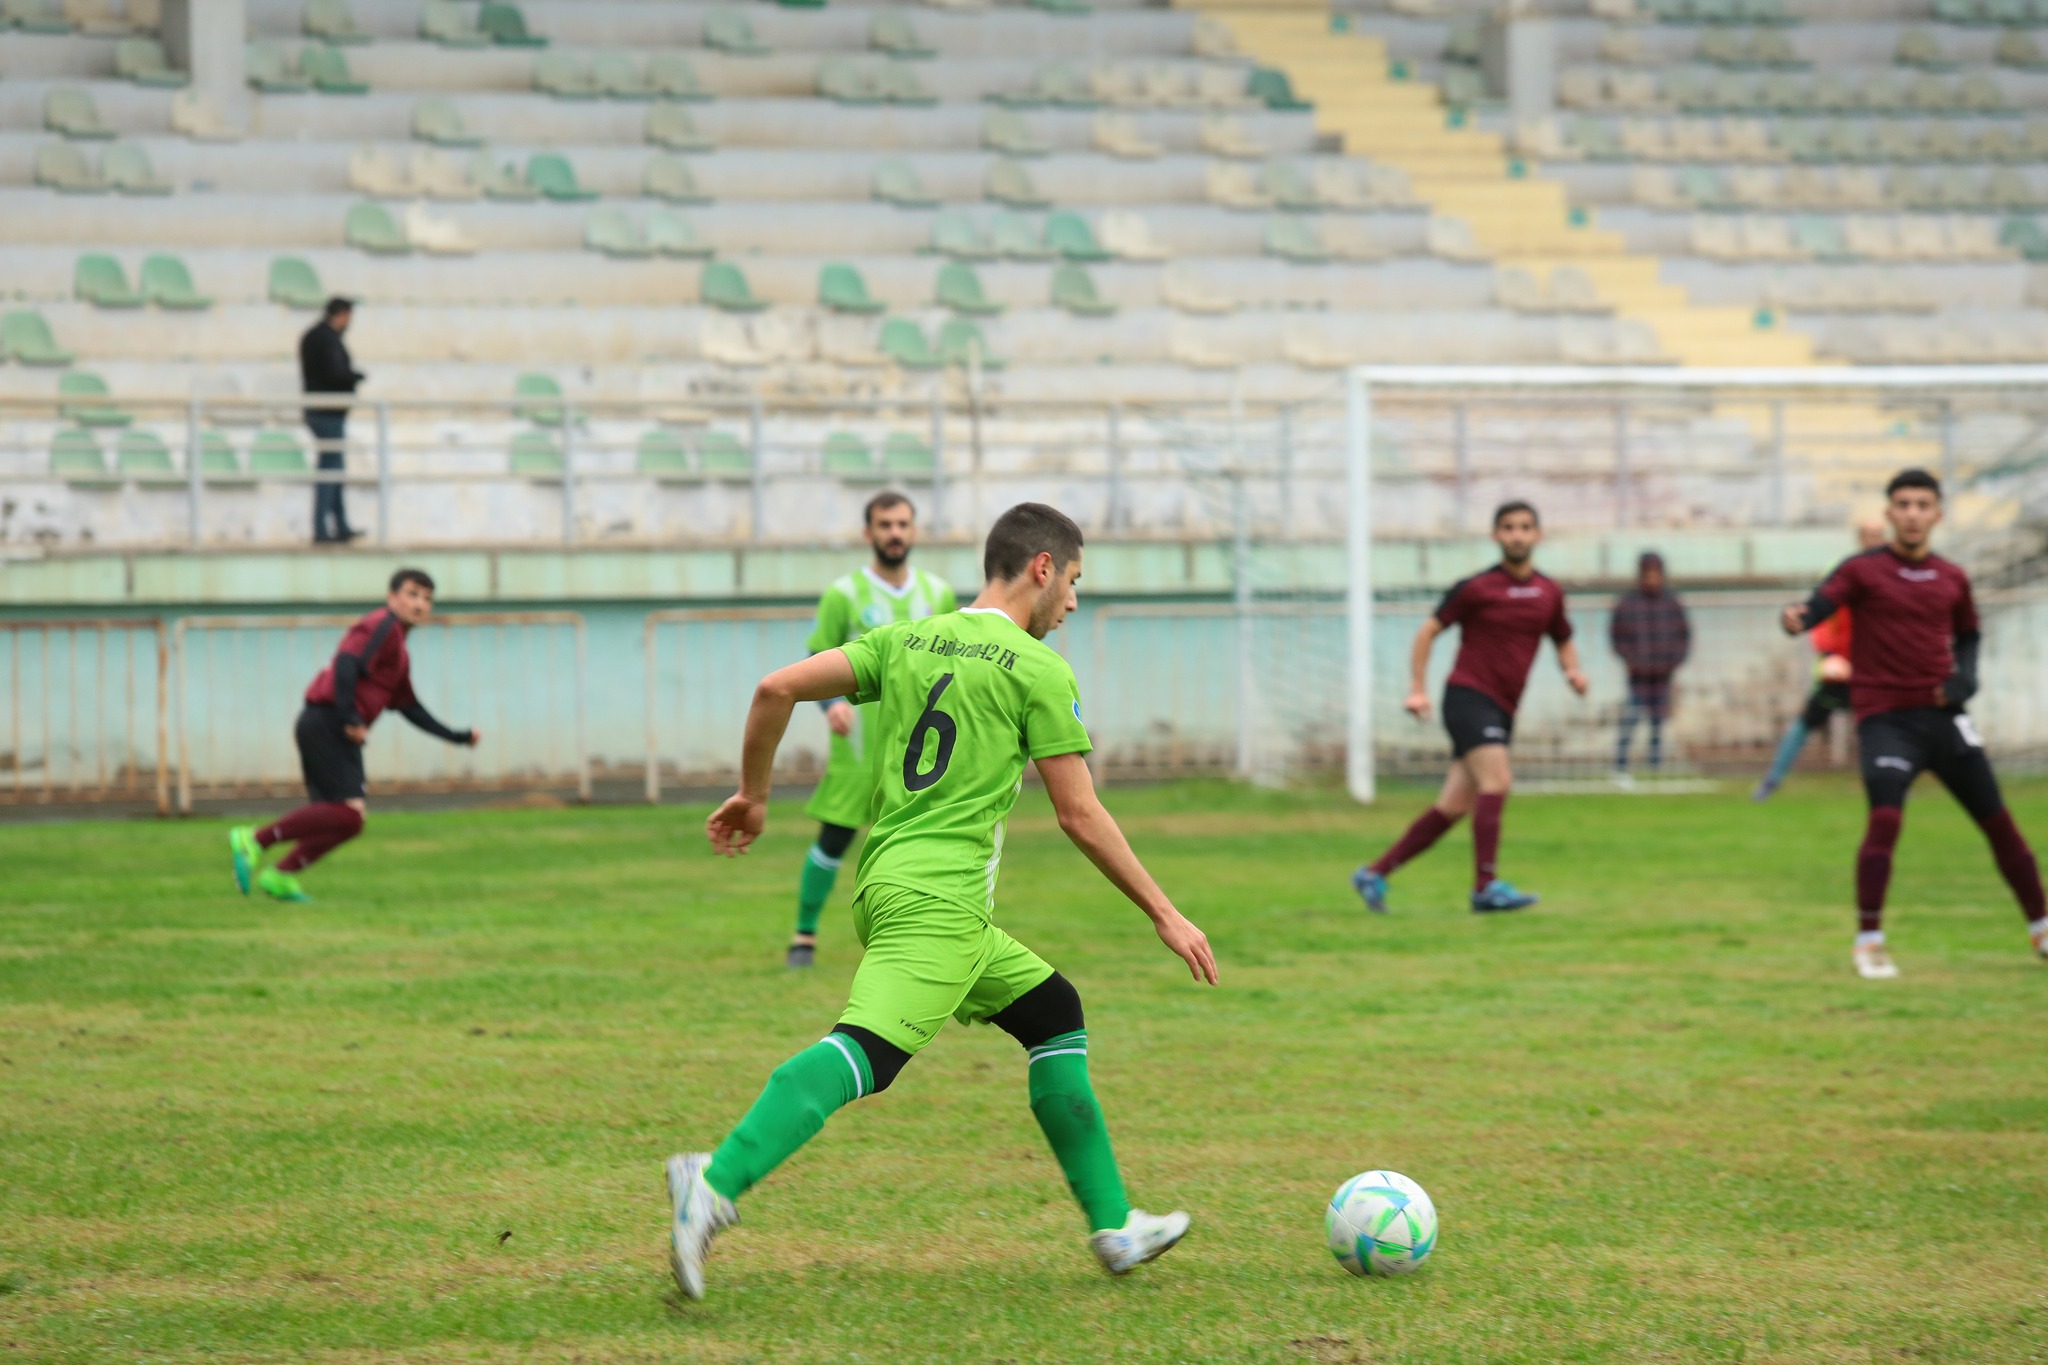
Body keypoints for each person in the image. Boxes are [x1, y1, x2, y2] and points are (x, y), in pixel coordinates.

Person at [671, 503, 1219, 1301]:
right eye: (1074, 581)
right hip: (938, 904)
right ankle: (712, 1181)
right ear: (1042, 567)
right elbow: (1080, 813)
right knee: (865, 1053)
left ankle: (1114, 1224)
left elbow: (775, 686)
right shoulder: (1036, 669)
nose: (1073, 602)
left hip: (891, 882)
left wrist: (754, 795)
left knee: (1053, 1011)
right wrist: (1167, 913)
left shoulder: (910, 637)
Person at [1781, 469, 2048, 980]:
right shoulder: (1862, 570)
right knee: (1885, 818)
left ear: (1937, 515)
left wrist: (1965, 679)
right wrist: (1799, 616)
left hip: (1945, 720)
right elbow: (1821, 602)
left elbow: (1969, 635)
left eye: (1922, 504)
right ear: (1888, 514)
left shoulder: (1952, 578)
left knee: (2000, 823)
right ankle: (1870, 941)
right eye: (1902, 504)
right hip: (1886, 720)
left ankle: (2041, 926)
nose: (1912, 514)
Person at [1351, 500, 1588, 915]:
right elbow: (1428, 631)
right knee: (1497, 781)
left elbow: (1562, 636)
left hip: (1502, 708)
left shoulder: (1549, 592)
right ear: (1496, 535)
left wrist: (1573, 671)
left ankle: (1375, 873)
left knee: (1455, 805)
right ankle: (1486, 887)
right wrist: (1417, 689)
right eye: (1509, 527)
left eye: (1525, 527)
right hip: (1468, 697)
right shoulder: (1476, 588)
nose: (1518, 534)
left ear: (1538, 535)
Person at [228, 568, 479, 902]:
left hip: (335, 726)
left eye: (427, 598)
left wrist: (458, 737)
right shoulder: (382, 624)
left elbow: (409, 707)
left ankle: (281, 876)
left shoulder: (399, 654)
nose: (420, 603)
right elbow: (347, 661)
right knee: (347, 814)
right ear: (392, 598)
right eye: (413, 594)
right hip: (329, 721)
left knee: (348, 821)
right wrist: (349, 716)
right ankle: (254, 840)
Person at [787, 492, 958, 969]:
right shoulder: (844, 595)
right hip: (860, 748)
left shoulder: (938, 594)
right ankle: (804, 937)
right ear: (869, 533)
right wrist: (828, 709)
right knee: (835, 840)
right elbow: (816, 662)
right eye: (885, 525)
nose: (895, 533)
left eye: (903, 523)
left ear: (914, 531)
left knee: (922, 842)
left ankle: (920, 937)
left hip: (918, 749)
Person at [1753, 519, 1887, 802]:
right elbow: (1822, 613)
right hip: (1837, 669)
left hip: (1873, 670)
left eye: (1878, 535)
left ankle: (1886, 784)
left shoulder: (1891, 574)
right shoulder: (1842, 571)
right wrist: (1830, 655)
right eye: (1869, 535)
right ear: (1860, 538)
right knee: (1806, 721)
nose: (1873, 540)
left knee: (1881, 728)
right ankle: (1771, 781)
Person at [1609, 551, 1690, 777]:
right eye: (1648, 574)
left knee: (1658, 722)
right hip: (1638, 674)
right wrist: (1631, 659)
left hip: (1663, 674)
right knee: (1631, 718)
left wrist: (1674, 661)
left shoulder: (1671, 603)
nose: (1652, 579)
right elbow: (1616, 636)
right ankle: (1621, 766)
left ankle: (1655, 766)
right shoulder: (1628, 603)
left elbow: (1684, 636)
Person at [299, 297, 364, 545]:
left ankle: (337, 525)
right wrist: (354, 377)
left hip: (326, 411)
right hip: (326, 412)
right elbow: (333, 373)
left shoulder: (317, 336)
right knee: (330, 470)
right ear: (341, 314)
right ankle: (323, 529)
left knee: (333, 469)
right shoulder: (324, 338)